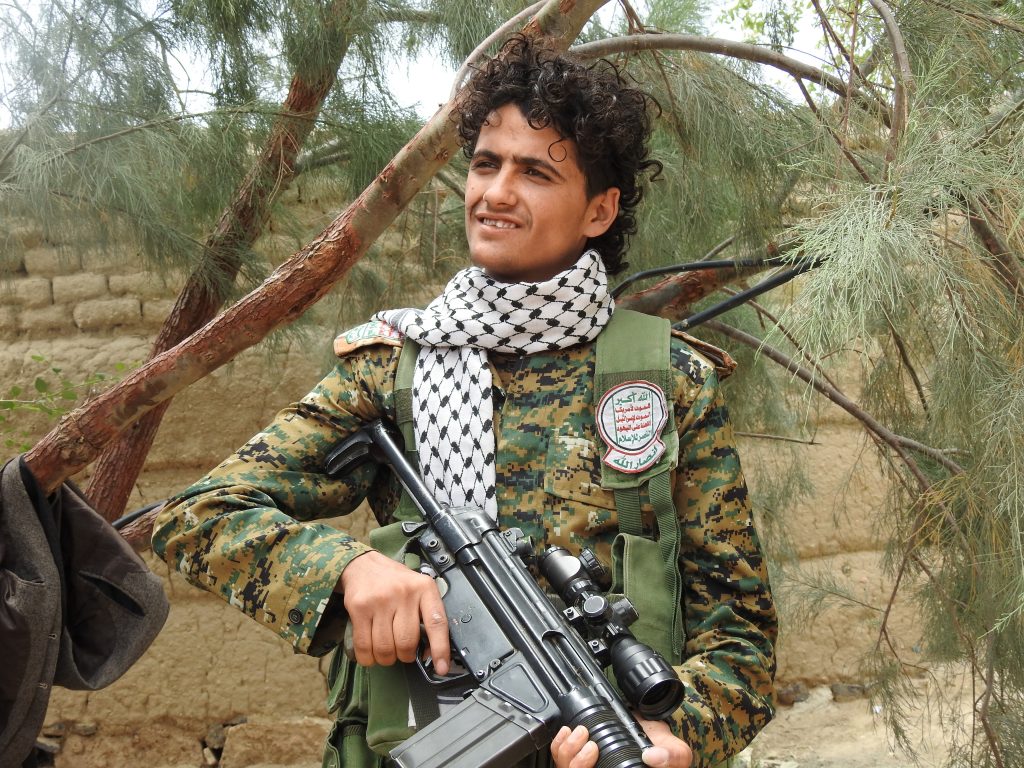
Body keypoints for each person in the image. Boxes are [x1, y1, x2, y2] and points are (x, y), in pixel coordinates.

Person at [153, 35, 776, 768]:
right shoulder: (393, 367)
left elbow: (741, 634)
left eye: (535, 172)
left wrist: (677, 734)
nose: (496, 193)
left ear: (599, 210)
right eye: (486, 164)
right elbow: (200, 515)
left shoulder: (666, 379)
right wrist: (346, 570)